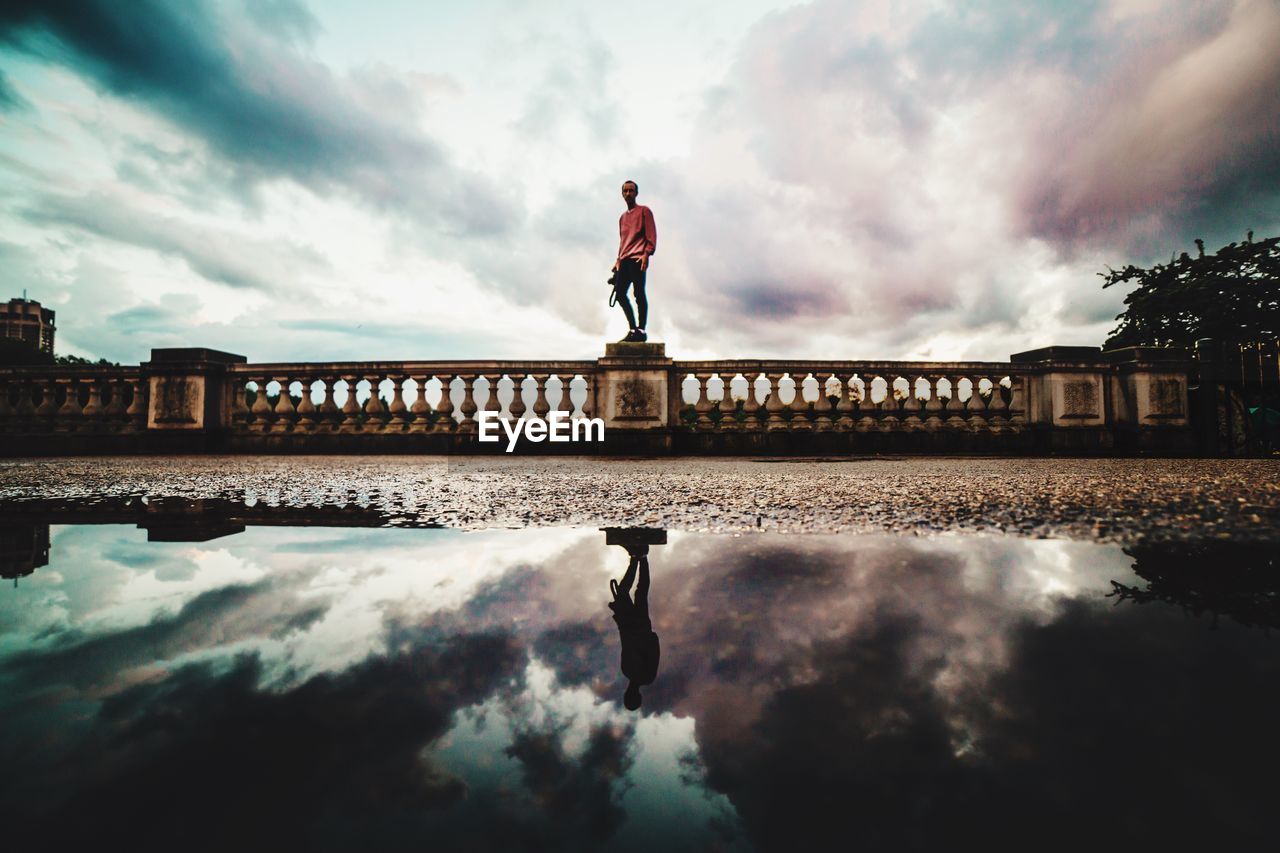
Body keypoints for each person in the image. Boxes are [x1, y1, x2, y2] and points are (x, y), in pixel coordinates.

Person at [608, 543, 660, 710]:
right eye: (630, 695)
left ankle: (640, 558)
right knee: (635, 592)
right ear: (632, 694)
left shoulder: (641, 675)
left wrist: (649, 636)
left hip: (637, 625)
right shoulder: (630, 671)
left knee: (639, 592)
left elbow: (631, 643)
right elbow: (629, 642)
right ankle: (638, 559)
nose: (629, 692)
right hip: (633, 624)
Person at [611, 180, 656, 343]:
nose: (628, 193)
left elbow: (651, 235)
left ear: (636, 193)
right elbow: (623, 241)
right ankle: (633, 329)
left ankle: (641, 329)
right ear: (622, 194)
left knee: (638, 294)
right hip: (624, 260)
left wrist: (647, 254)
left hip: (638, 258)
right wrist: (617, 260)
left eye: (631, 191)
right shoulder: (622, 218)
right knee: (620, 294)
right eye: (626, 191)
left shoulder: (645, 211)